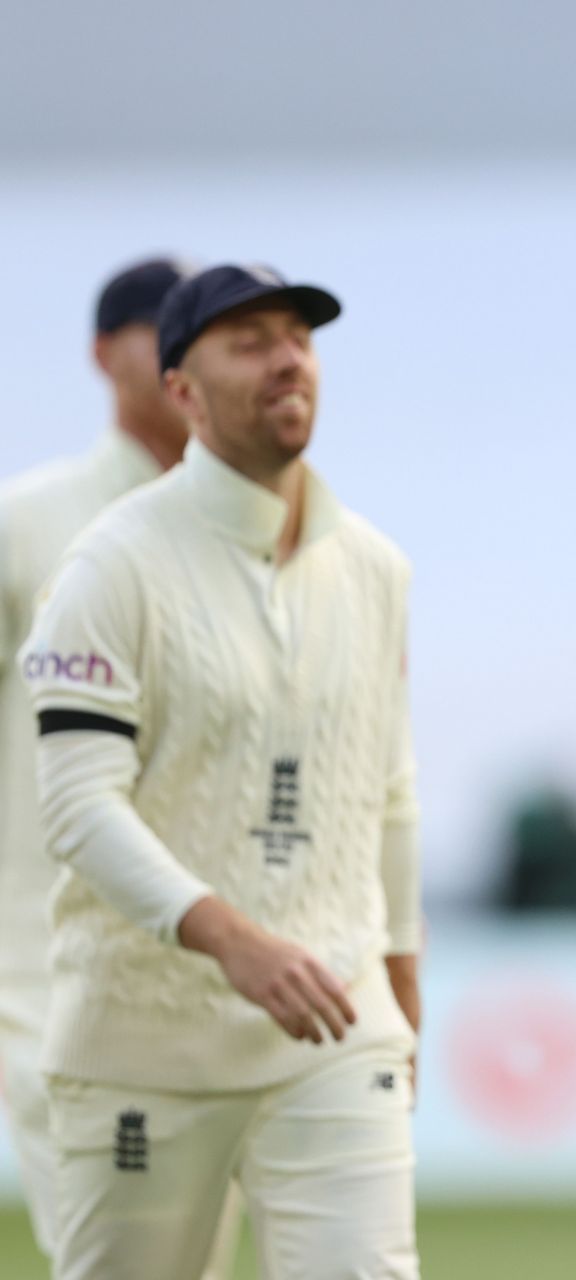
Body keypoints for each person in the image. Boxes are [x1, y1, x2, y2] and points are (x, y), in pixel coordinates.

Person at [19, 264, 423, 1280]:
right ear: (182, 392)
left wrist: (403, 988)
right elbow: (77, 804)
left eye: (299, 335)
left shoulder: (375, 566)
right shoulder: (109, 563)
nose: (287, 356)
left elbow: (388, 792)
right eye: (250, 341)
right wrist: (232, 939)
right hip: (146, 1046)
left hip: (338, 1028)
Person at [0, 256, 197, 1262]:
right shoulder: (28, 519)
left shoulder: (261, 526)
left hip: (219, 966)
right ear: (100, 353)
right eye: (158, 326)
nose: (179, 349)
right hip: (49, 964)